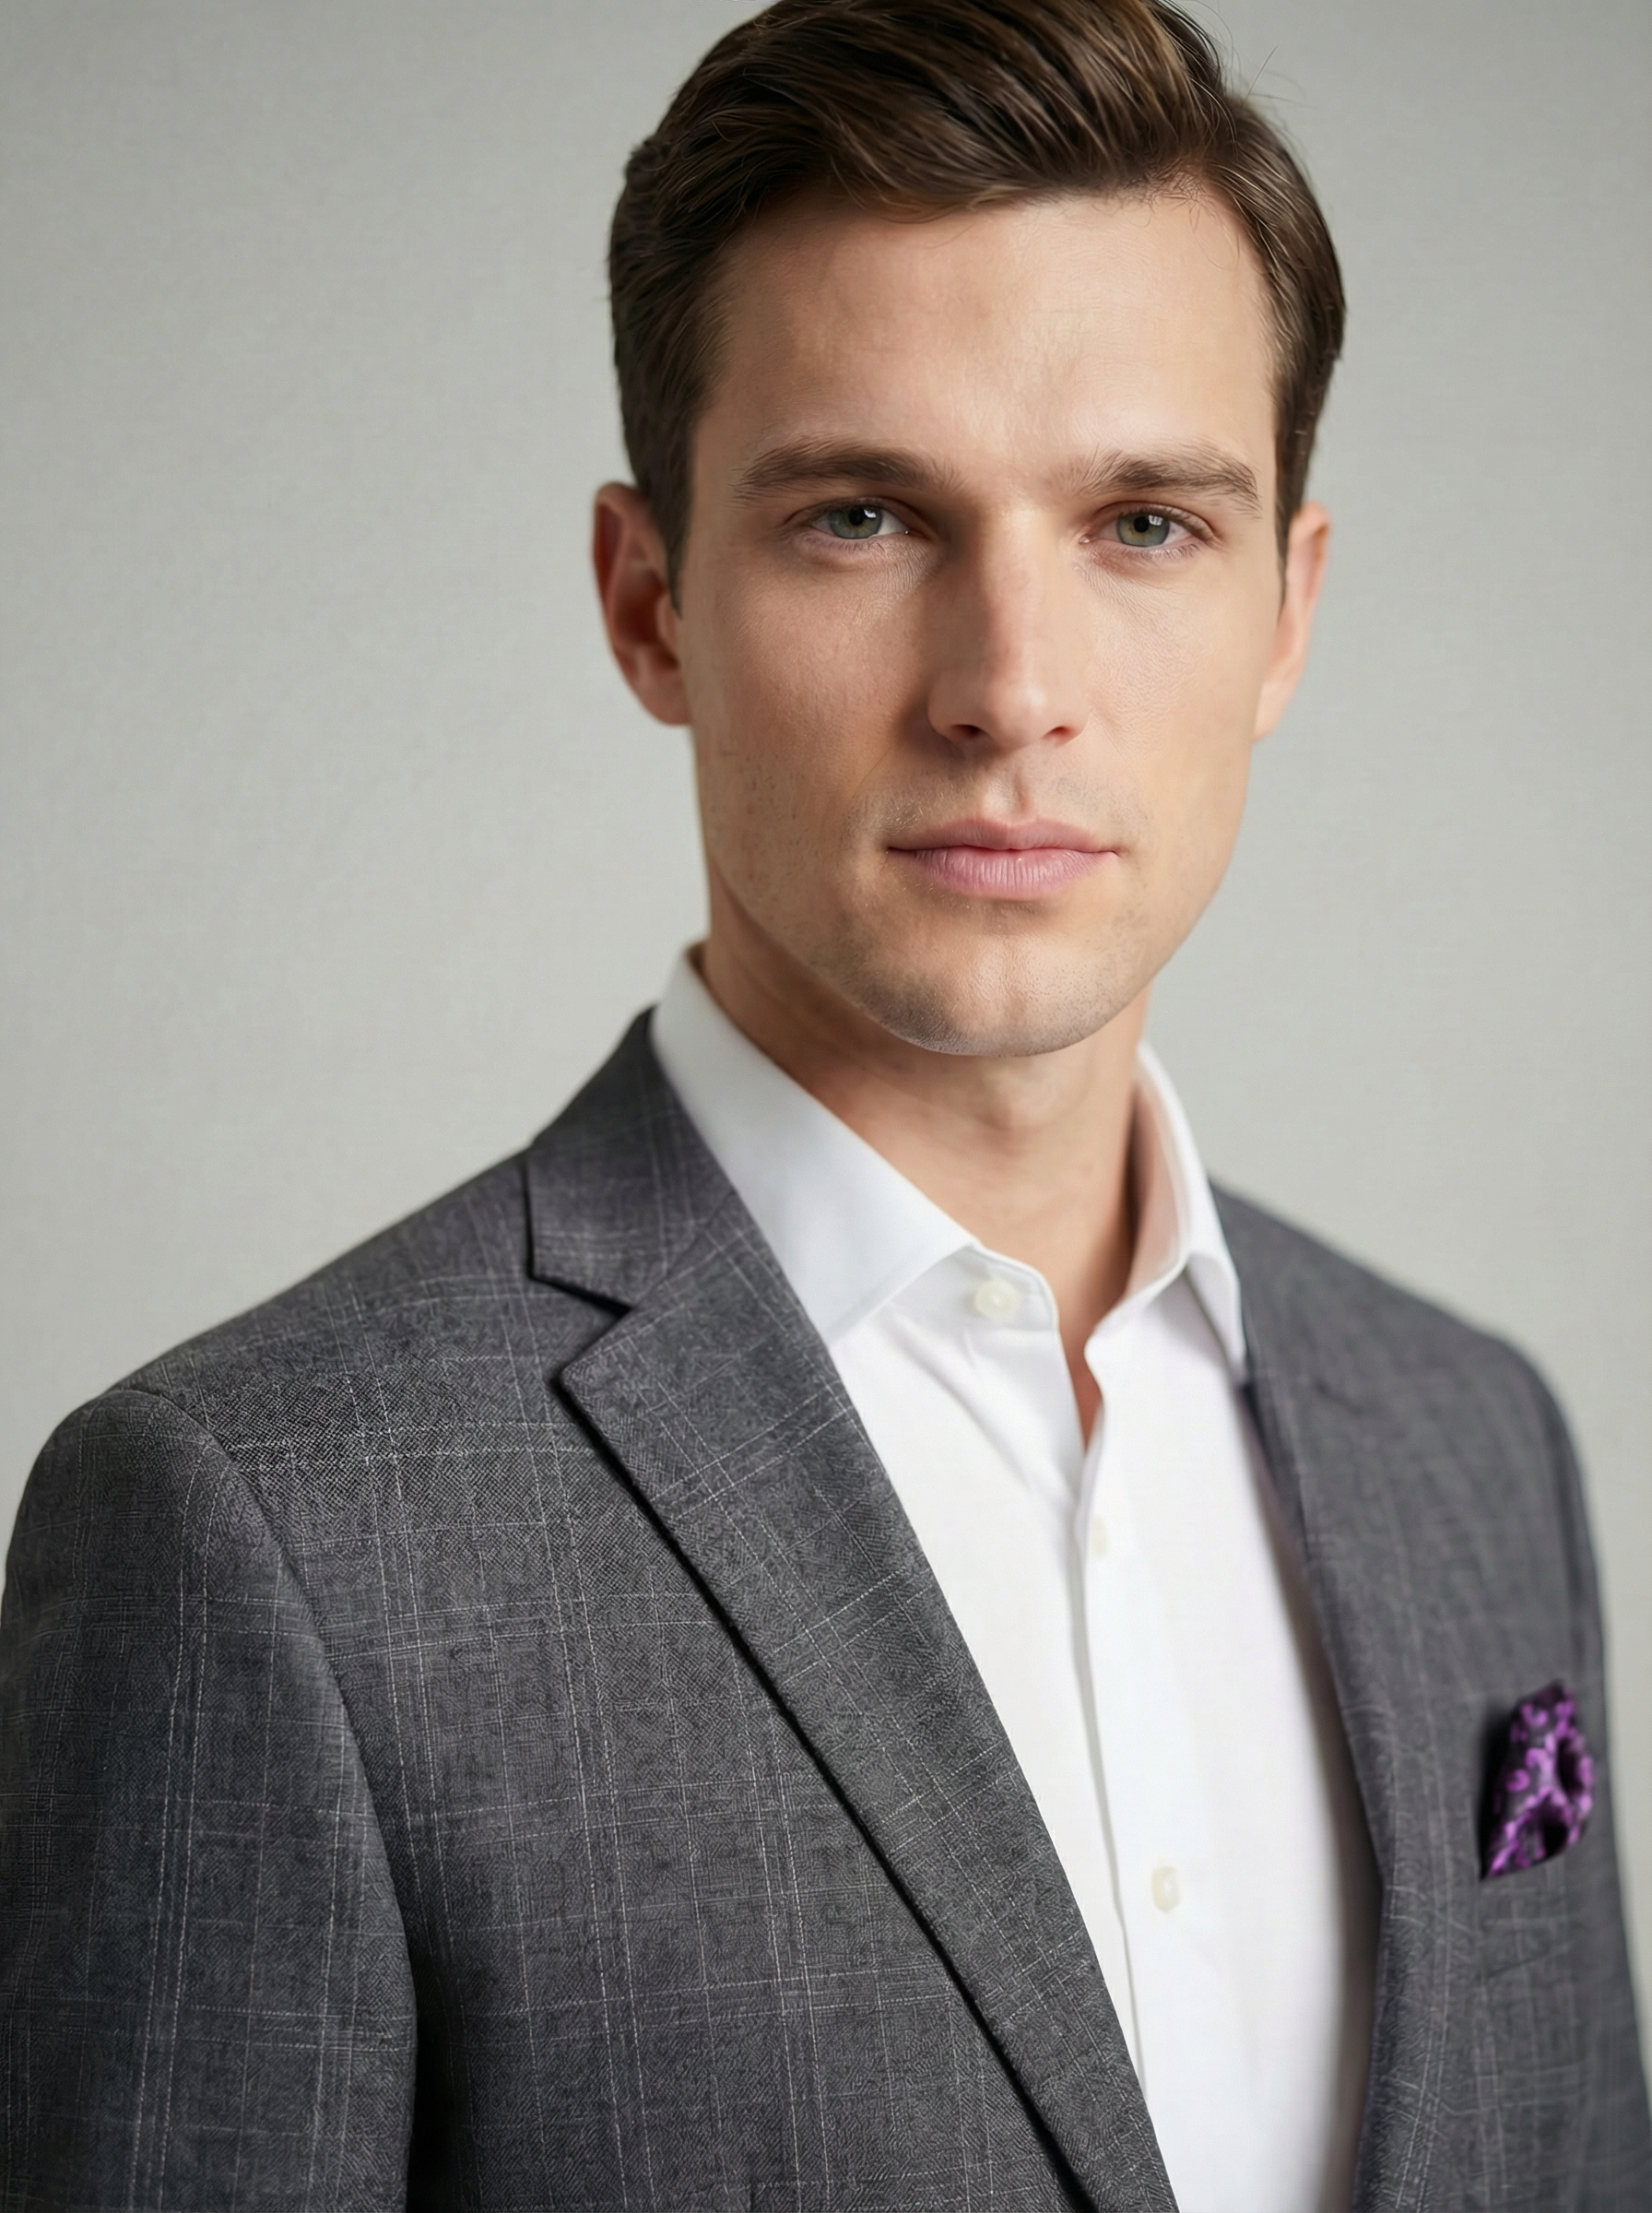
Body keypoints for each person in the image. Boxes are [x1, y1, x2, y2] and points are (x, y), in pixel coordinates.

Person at [1, 0, 1646, 2205]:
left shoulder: (1474, 1443)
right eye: (863, 515)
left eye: (1142, 523)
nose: (1008, 691)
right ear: (647, 600)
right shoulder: (256, 1534)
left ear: (1285, 611)